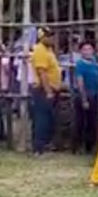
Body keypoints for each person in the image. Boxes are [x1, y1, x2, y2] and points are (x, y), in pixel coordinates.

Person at [31, 27, 63, 155]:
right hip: (43, 89)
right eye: (48, 36)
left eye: (52, 36)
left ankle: (44, 145)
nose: (51, 38)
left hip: (51, 88)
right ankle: (38, 148)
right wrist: (48, 91)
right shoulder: (40, 50)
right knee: (42, 119)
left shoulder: (48, 50)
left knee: (48, 119)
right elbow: (41, 72)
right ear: (41, 37)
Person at [74, 41, 98, 154]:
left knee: (93, 122)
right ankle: (78, 146)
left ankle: (90, 146)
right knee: (81, 122)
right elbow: (80, 82)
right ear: (81, 52)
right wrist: (84, 99)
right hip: (85, 95)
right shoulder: (80, 64)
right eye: (85, 50)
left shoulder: (94, 62)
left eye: (89, 49)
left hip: (95, 95)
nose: (88, 52)